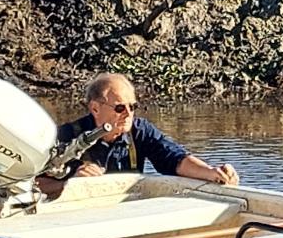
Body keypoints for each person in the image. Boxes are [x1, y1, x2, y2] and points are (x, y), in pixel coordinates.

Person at [37, 71, 238, 198]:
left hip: (125, 209)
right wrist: (70, 183)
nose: (128, 114)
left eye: (133, 107)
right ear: (95, 108)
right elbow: (31, 183)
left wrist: (212, 172)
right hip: (77, 217)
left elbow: (174, 159)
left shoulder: (140, 131)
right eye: (119, 108)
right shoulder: (65, 136)